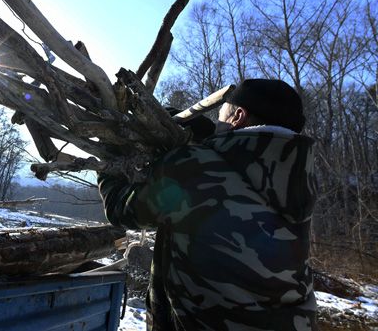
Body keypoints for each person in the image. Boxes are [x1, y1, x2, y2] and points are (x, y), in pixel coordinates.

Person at [98, 79, 317, 330]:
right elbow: (235, 175)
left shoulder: (193, 167)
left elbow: (121, 209)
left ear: (238, 116)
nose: (217, 119)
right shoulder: (300, 178)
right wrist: (209, 134)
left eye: (222, 112)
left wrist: (108, 157)